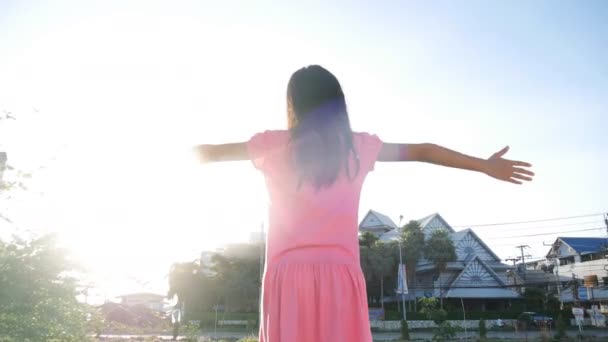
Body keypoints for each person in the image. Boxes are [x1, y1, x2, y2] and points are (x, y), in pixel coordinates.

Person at [194, 65, 534, 342]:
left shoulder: (271, 145)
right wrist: (485, 165)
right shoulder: (357, 147)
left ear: (292, 105)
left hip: (287, 278)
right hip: (341, 275)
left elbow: (207, 153)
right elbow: (423, 151)